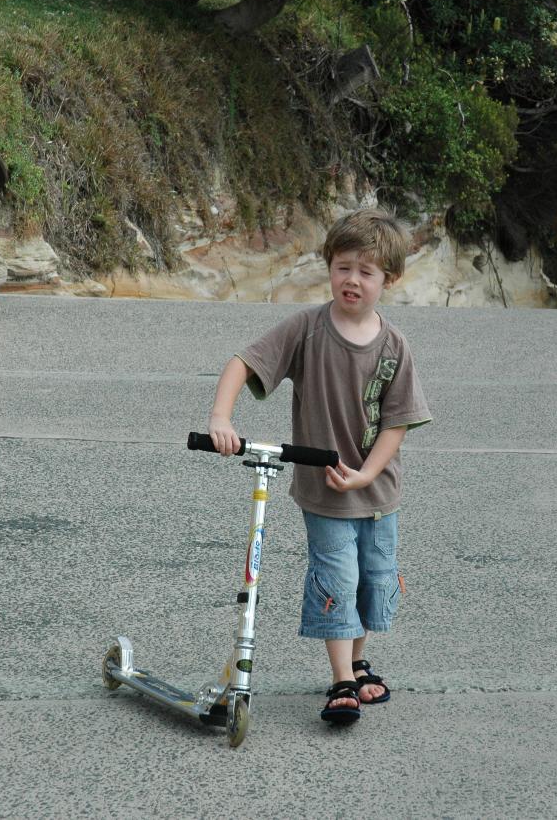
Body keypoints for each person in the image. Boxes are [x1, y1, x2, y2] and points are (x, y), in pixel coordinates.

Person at [206, 209, 432, 726]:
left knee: (373, 581)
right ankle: (341, 680)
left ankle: (357, 659)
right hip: (325, 490)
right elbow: (243, 362)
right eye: (343, 267)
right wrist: (222, 417)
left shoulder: (394, 347)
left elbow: (397, 423)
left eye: (367, 271)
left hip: (377, 492)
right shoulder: (307, 329)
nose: (352, 279)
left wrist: (369, 473)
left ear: (388, 280)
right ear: (329, 267)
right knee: (337, 577)